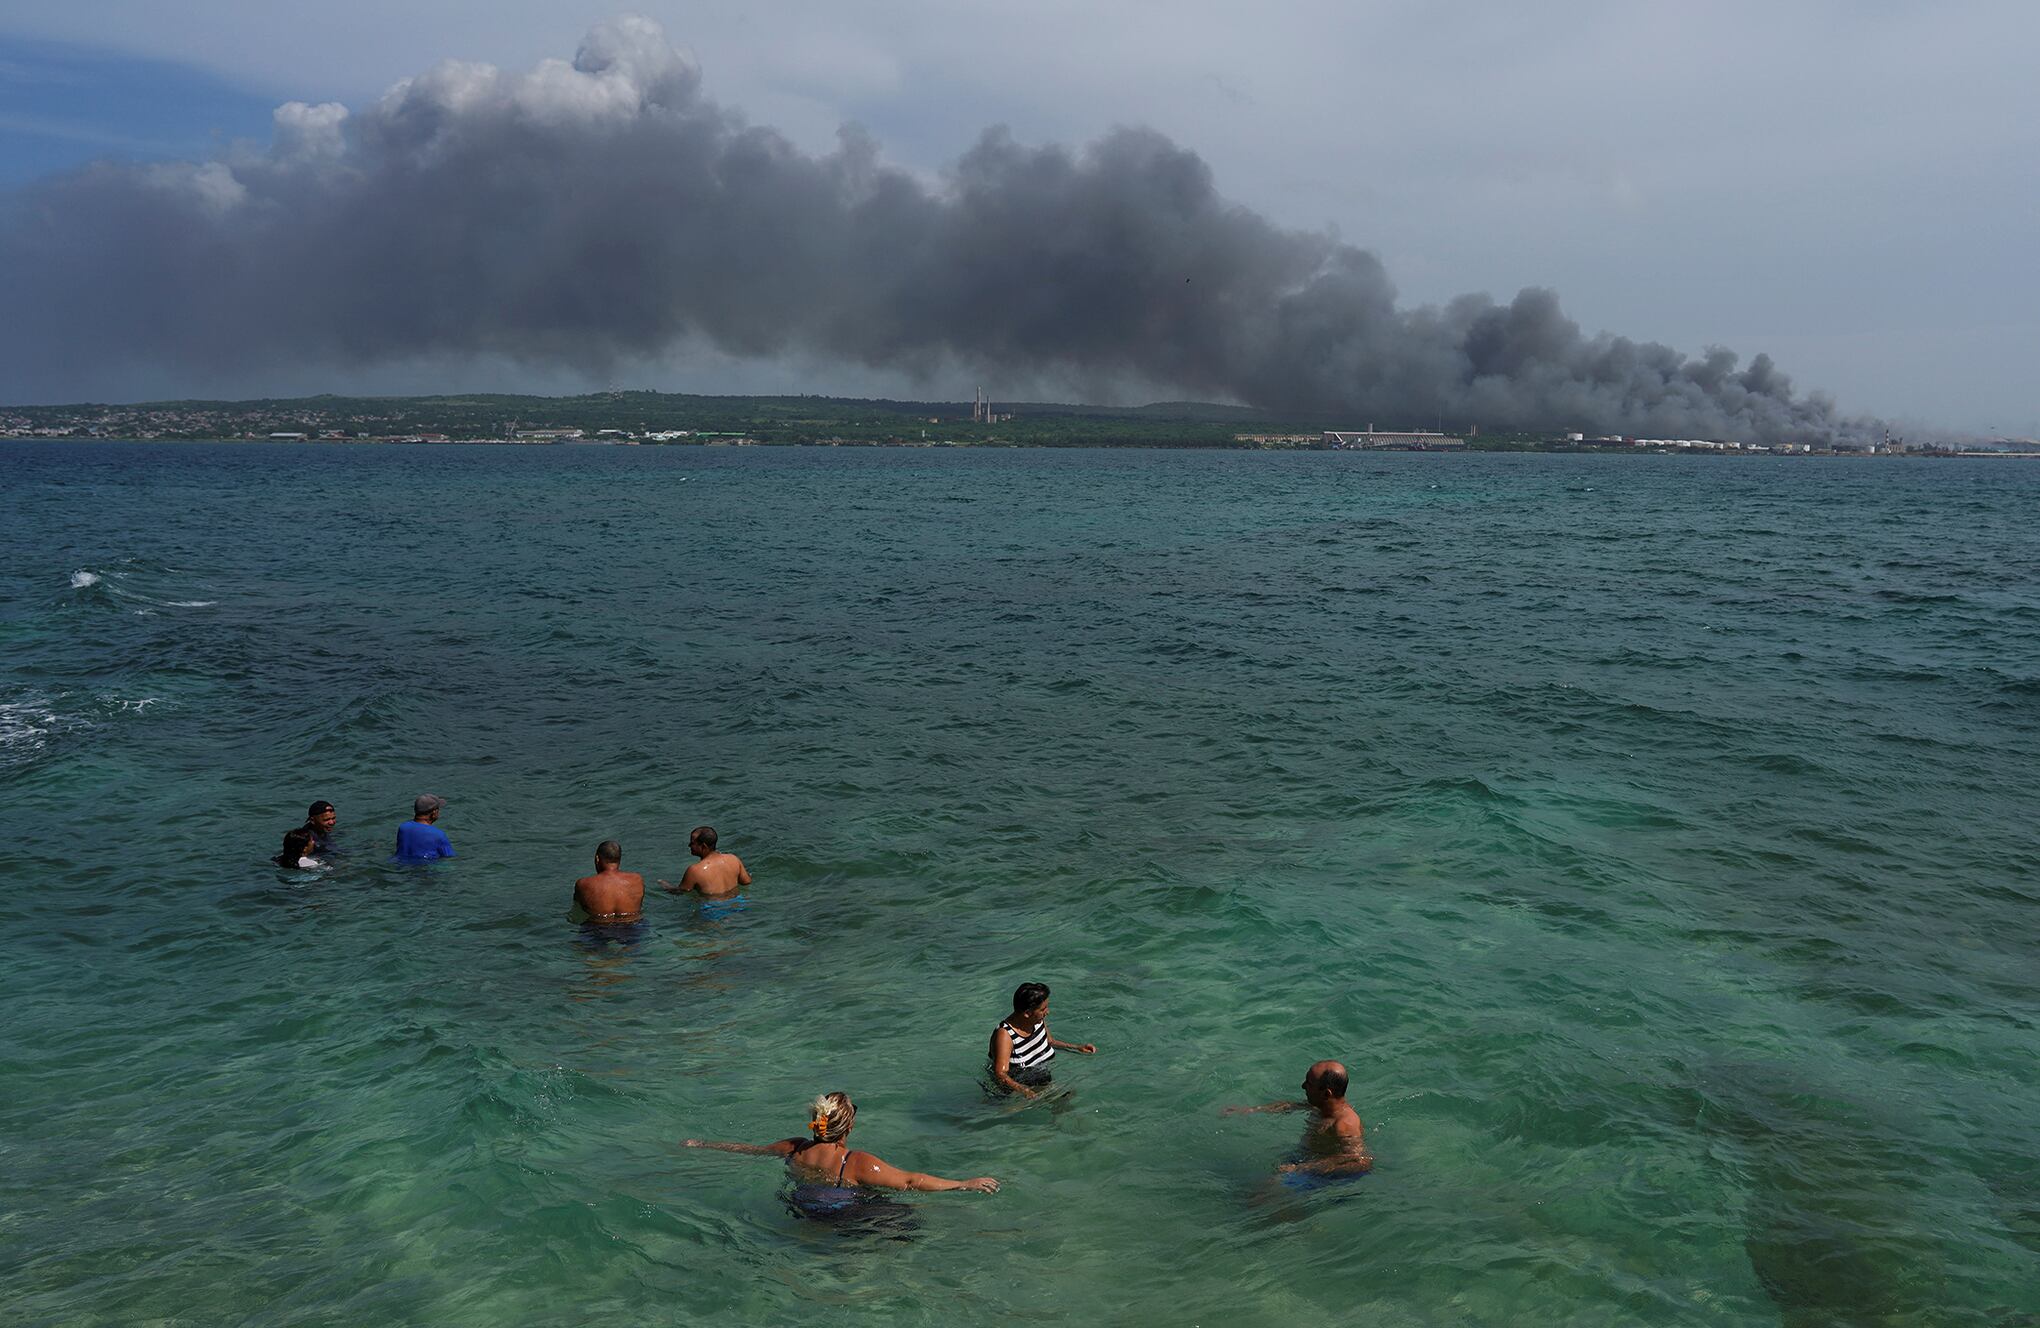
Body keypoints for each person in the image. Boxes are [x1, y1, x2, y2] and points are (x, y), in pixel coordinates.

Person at [684, 1092, 997, 1220]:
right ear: (849, 1125)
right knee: (911, 1215)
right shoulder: (856, 1161)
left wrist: (702, 1144)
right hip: (844, 1218)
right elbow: (911, 1180)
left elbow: (749, 1151)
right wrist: (963, 1183)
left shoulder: (795, 1148)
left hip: (800, 1209)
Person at [1222, 1060, 1373, 1179]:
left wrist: (1303, 1168)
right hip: (1307, 1162)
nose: (1303, 1086)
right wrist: (1249, 1110)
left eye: (1309, 1083)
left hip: (1321, 1174)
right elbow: (1289, 1105)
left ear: (1327, 1094)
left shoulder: (1345, 1123)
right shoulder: (1320, 1106)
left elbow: (1360, 1162)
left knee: (1262, 1199)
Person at [987, 981, 1096, 1098]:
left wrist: (1077, 1047)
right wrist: (1022, 1089)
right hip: (1013, 1092)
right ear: (1027, 1013)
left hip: (1039, 1081)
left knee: (1068, 1097)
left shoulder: (1036, 1021)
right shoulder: (1005, 1035)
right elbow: (1000, 1073)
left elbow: (1050, 1042)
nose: (1047, 1012)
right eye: (1043, 1009)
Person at [659, 825, 750, 899]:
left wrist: (666, 886)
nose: (689, 845)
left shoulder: (694, 870)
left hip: (713, 909)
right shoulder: (733, 859)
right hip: (737, 903)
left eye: (692, 843)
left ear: (703, 846)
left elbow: (681, 892)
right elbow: (747, 881)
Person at [573, 840, 644, 920]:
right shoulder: (637, 880)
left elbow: (577, 908)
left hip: (598, 928)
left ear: (597, 859)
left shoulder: (583, 884)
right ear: (619, 859)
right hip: (633, 928)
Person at [392, 794, 456, 861]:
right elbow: (449, 857)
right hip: (424, 869)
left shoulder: (403, 828)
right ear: (434, 812)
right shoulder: (438, 835)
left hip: (400, 865)